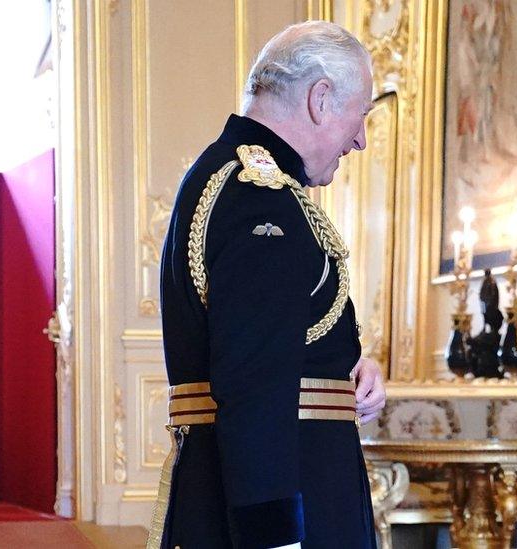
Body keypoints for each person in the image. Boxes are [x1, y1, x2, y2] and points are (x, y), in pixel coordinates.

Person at [149, 21, 385, 549]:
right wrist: (274, 539)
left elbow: (274, 343)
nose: (360, 140)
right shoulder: (258, 197)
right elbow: (254, 386)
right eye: (361, 114)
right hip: (285, 510)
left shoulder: (239, 182)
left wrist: (341, 370)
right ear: (321, 99)